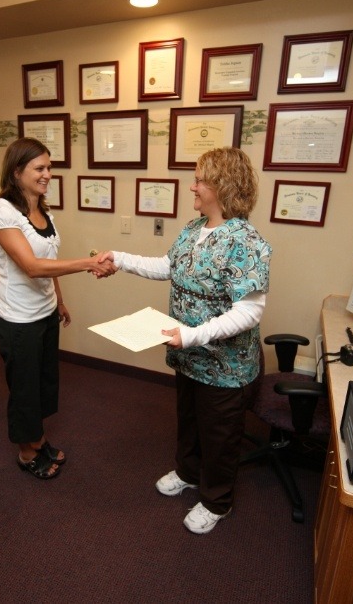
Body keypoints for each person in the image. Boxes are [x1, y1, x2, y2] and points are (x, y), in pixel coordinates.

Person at [98, 147, 272, 534]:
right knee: (191, 421)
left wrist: (193, 334)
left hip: (225, 367)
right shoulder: (195, 229)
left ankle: (216, 501)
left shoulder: (245, 241)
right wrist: (120, 258)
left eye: (200, 180)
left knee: (221, 435)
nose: (192, 186)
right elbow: (168, 267)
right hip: (189, 357)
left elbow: (249, 312)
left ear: (222, 186)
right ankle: (189, 473)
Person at [0, 137, 113, 480]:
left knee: (43, 381)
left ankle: (38, 438)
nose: (47, 174)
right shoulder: (2, 213)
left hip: (44, 312)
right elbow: (31, 266)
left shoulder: (44, 213)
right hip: (17, 319)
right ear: (17, 171)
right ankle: (27, 452)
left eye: (49, 167)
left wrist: (58, 300)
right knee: (24, 387)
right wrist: (89, 263)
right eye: (39, 168)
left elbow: (49, 262)